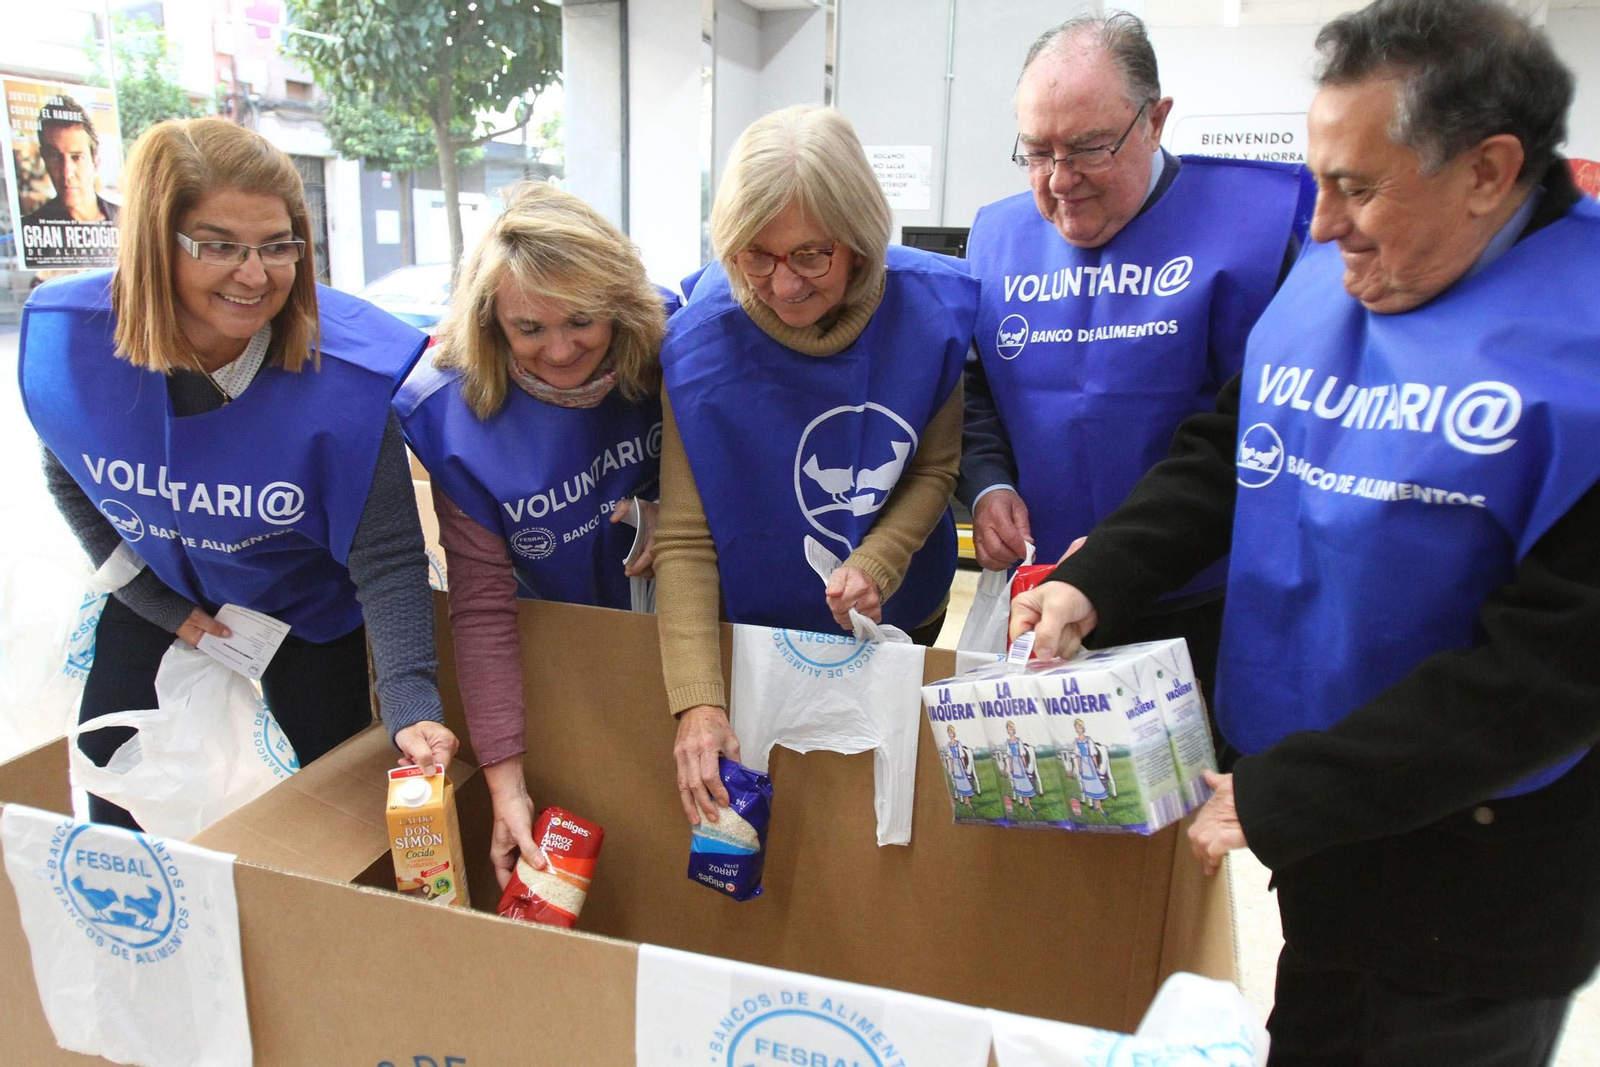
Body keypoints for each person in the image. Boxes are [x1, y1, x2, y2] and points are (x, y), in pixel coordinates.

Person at [1012, 2, 1600, 1061]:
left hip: (1475, 892)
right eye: (1320, 180)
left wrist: (1288, 793)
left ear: (1487, 171)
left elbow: (1550, 674)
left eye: (1358, 187)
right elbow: (1226, 450)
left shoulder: (1583, 345)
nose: (1321, 226)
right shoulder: (1349, 266)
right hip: (1330, 857)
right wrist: (1099, 576)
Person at [20, 118, 457, 830]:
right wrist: (154, 600)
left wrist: (411, 701)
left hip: (303, 608)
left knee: (333, 810)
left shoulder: (346, 381)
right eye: (219, 245)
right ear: (156, 244)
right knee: (114, 779)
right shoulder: (77, 347)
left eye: (277, 246)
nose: (254, 275)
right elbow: (69, 475)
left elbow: (386, 553)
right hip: (161, 591)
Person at [959, 13, 1310, 719]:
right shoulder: (998, 238)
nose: (1061, 180)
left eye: (1089, 148)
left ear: (1154, 120)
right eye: (1037, 152)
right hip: (1040, 593)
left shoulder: (1258, 231)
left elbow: (1257, 434)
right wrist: (987, 484)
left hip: (1202, 595)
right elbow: (973, 392)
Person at [656, 105, 977, 827]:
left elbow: (935, 467)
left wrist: (880, 561)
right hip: (762, 635)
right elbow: (684, 537)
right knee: (796, 814)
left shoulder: (929, 315)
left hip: (901, 618)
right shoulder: (700, 346)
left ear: (859, 241)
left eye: (810, 255)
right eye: (756, 255)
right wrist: (698, 701)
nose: (784, 285)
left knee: (880, 806)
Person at [393, 182, 672, 888]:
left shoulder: (668, 344)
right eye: (529, 329)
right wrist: (506, 784)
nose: (561, 349)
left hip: (670, 628)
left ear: (619, 304)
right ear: (491, 321)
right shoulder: (453, 416)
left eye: (581, 320)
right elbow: (481, 608)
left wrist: (680, 515)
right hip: (551, 640)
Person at [21, 95, 119, 224]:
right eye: (55, 156)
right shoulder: (29, 227)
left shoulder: (127, 220)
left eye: (77, 157)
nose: (66, 172)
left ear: (95, 162)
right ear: (44, 158)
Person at [1070, 719, 1108, 816]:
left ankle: (1100, 808)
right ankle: (1095, 805)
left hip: (1090, 763)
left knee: (1095, 784)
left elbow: (1093, 754)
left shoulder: (1088, 740)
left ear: (1083, 728)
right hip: (1083, 764)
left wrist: (1096, 766)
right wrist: (1079, 767)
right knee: (1088, 784)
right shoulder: (1076, 741)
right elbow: (1078, 756)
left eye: (1080, 727)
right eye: (1077, 728)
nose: (1079, 730)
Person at [944, 725, 977, 811]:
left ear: (954, 733)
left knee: (964, 781)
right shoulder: (949, 745)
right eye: (949, 733)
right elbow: (951, 757)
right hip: (955, 764)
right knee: (959, 782)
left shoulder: (958, 743)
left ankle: (968, 801)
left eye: (951, 733)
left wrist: (964, 767)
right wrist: (952, 767)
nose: (950, 734)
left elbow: (962, 756)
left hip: (959, 763)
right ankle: (965, 800)